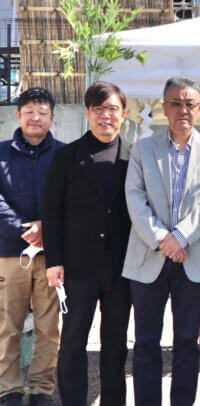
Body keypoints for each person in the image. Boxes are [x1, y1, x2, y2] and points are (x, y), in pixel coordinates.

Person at [123, 76, 200, 405]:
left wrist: (180, 237)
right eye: (176, 103)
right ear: (164, 108)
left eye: (190, 104)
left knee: (187, 341)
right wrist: (162, 239)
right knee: (145, 341)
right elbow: (134, 197)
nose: (183, 110)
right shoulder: (143, 147)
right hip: (148, 257)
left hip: (193, 259)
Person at [43, 81, 132, 405]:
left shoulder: (134, 156)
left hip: (123, 266)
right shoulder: (67, 155)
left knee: (116, 343)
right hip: (78, 266)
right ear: (87, 113)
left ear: (123, 113)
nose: (105, 116)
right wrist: (54, 261)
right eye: (99, 109)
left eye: (112, 109)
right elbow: (51, 211)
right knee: (73, 341)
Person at [0, 88, 63, 406]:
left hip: (53, 256)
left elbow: (73, 201)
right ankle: (8, 388)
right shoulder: (0, 153)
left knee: (48, 325)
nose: (35, 117)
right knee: (7, 324)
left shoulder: (67, 155)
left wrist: (46, 228)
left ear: (53, 117)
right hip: (9, 252)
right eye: (29, 111)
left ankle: (42, 387)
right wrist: (23, 228)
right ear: (18, 115)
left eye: (42, 112)